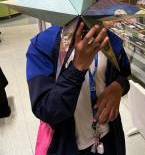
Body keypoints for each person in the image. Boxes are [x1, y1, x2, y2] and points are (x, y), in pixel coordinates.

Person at [26, 22, 131, 154]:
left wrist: (119, 86)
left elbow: (123, 73)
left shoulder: (105, 37)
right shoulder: (44, 45)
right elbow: (44, 109)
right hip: (67, 144)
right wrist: (77, 68)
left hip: (109, 137)